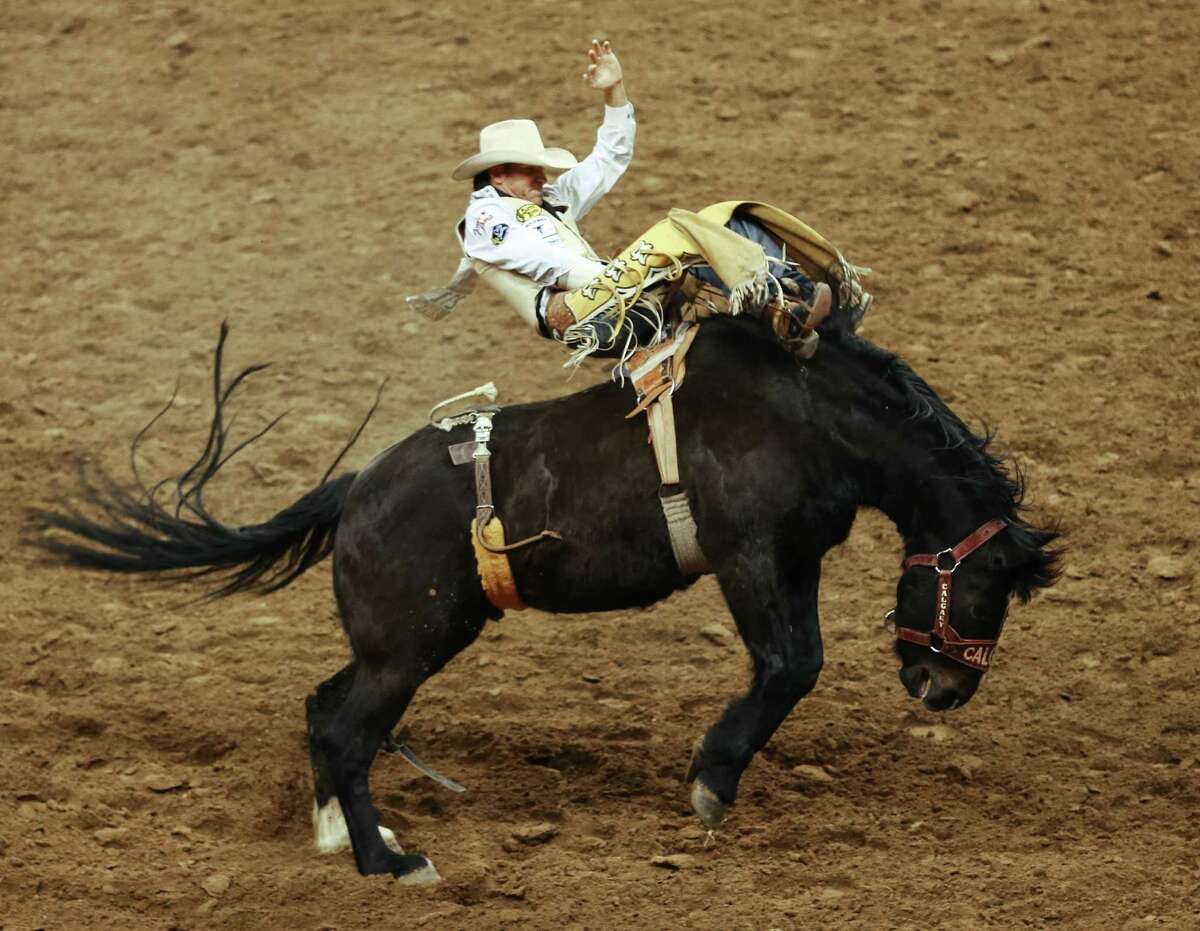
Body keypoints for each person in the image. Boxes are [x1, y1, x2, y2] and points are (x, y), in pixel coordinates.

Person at [408, 40, 834, 357]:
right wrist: (622, 274)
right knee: (678, 231)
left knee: (717, 220)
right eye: (530, 168)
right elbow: (546, 262)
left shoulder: (549, 200)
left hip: (598, 295)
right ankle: (779, 304)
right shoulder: (483, 221)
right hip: (575, 314)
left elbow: (608, 159)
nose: (542, 175)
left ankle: (783, 305)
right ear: (498, 175)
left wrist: (615, 93)